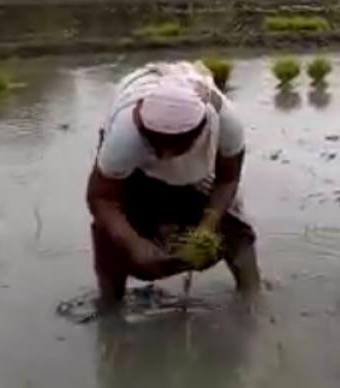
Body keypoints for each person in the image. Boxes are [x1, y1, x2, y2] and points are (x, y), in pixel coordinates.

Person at [85, 61, 258, 311]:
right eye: (154, 143)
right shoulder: (125, 135)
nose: (161, 153)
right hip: (137, 171)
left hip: (199, 170)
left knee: (234, 228)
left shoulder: (225, 123)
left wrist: (208, 224)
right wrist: (135, 243)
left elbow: (228, 179)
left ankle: (251, 299)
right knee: (110, 236)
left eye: (172, 145)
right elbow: (101, 198)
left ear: (199, 133)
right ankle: (109, 306)